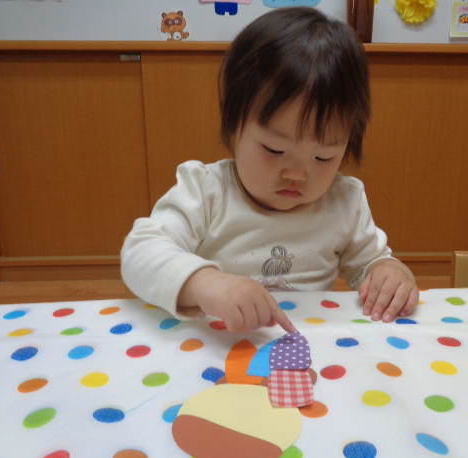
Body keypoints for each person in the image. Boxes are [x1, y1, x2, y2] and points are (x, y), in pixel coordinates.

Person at [121, 7, 419, 333]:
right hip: (218, 345)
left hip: (304, 344)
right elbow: (140, 252)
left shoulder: (343, 202)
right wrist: (205, 283)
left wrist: (388, 273)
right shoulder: (205, 191)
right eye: (275, 150)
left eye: (323, 157)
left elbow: (371, 263)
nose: (297, 174)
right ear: (233, 129)